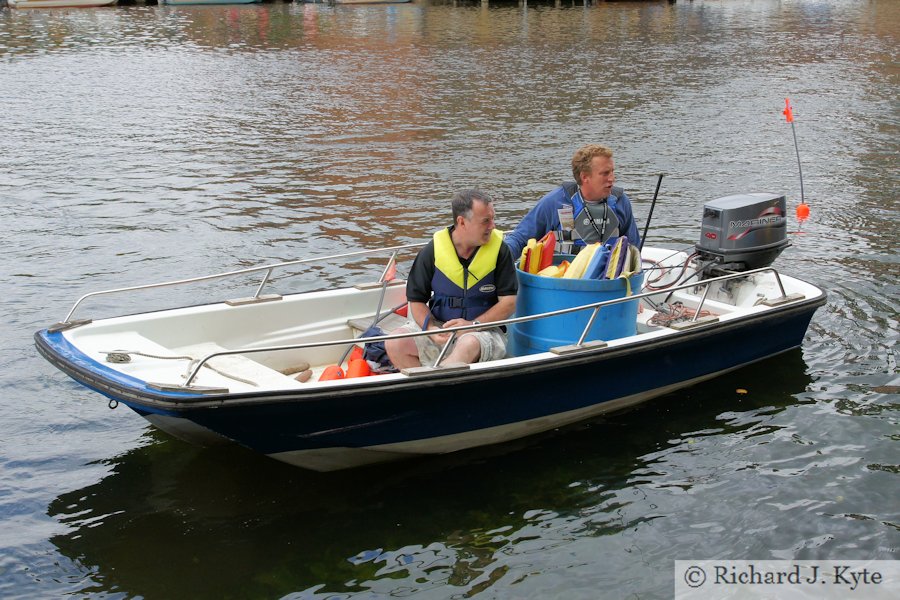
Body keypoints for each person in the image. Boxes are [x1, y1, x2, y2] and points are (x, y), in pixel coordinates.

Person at [385, 189, 517, 369]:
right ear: (461, 222)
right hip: (441, 327)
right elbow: (416, 300)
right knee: (394, 342)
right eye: (486, 221)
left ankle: (436, 385)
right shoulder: (432, 251)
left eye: (493, 218)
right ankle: (426, 388)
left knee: (468, 343)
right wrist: (430, 328)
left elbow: (509, 303)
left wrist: (472, 325)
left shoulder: (500, 251)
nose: (493, 226)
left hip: (484, 332)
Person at [505, 144, 641, 258]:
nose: (612, 178)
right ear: (585, 177)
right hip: (565, 283)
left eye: (612, 171)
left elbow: (634, 248)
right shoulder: (554, 202)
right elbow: (519, 239)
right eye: (605, 173)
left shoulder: (621, 202)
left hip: (608, 284)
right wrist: (500, 258)